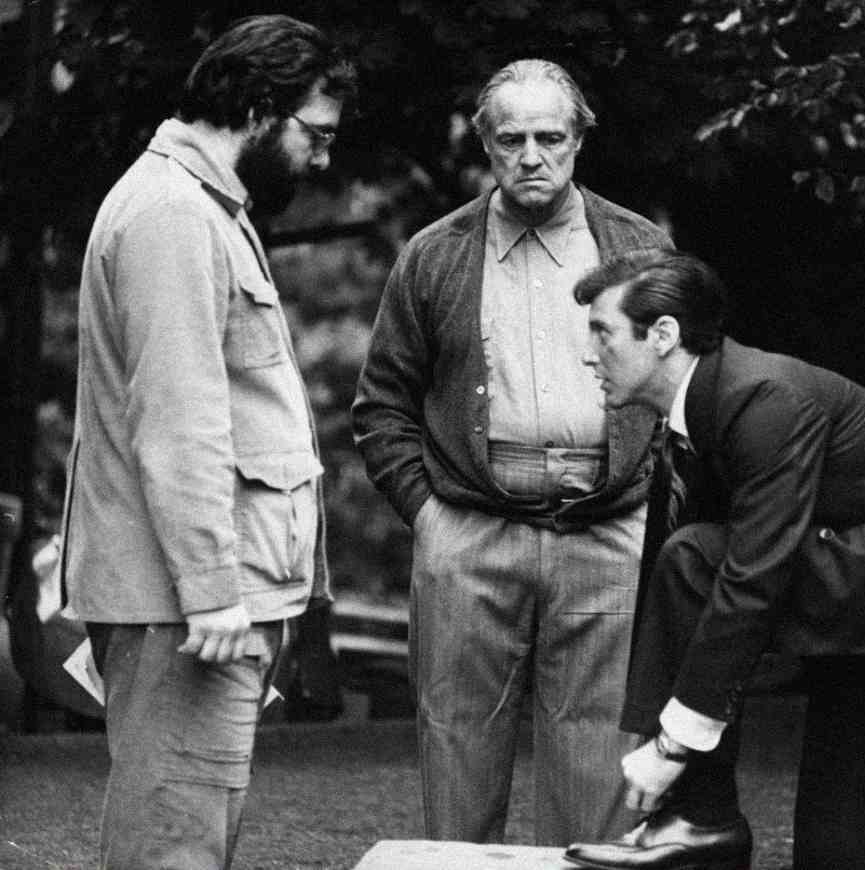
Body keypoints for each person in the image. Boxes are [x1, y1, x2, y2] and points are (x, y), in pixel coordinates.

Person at [564, 251, 865, 870]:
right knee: (834, 839)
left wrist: (672, 745)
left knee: (847, 846)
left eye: (602, 331)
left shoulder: (763, 399)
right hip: (857, 581)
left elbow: (754, 576)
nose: (589, 354)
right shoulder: (697, 408)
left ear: (664, 335)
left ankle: (703, 818)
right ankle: (699, 819)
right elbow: (676, 583)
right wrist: (659, 731)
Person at [58, 15, 355, 868]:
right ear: (260, 107)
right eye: (316, 135)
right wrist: (213, 593)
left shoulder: (202, 206)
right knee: (174, 847)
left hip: (193, 602)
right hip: (185, 610)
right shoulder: (174, 216)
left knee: (193, 835)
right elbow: (178, 423)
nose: (324, 159)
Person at [352, 59, 672, 845]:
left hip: (609, 526)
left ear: (579, 142)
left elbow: (685, 391)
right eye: (512, 139)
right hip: (469, 528)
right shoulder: (434, 255)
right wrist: (430, 518)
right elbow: (382, 404)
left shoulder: (639, 247)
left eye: (550, 137)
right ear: (486, 147)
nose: (532, 156)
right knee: (457, 742)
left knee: (602, 753)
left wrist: (657, 513)